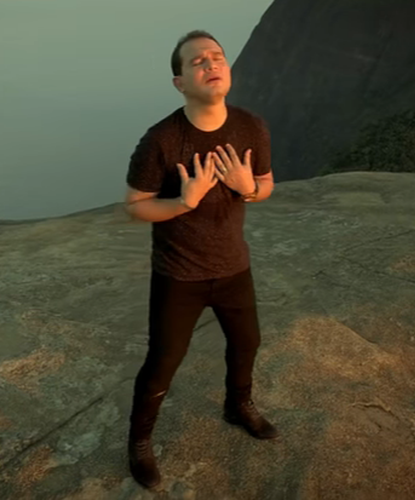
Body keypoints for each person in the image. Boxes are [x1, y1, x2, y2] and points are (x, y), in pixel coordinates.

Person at [122, 29, 279, 489]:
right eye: (197, 62)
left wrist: (247, 188)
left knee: (247, 344)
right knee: (164, 361)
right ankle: (139, 443)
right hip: (179, 275)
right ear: (179, 82)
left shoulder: (251, 127)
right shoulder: (161, 141)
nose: (211, 64)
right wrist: (184, 203)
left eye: (217, 57)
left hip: (233, 267)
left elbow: (266, 186)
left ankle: (238, 405)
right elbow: (135, 206)